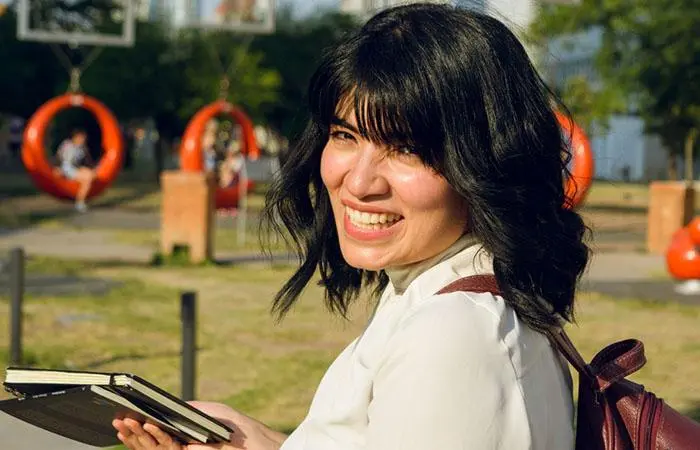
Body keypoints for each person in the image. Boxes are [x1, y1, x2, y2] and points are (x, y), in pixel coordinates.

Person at [113, 4, 589, 449]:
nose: (358, 183)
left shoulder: (454, 336)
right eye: (345, 135)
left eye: (406, 148)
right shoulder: (437, 296)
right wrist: (259, 441)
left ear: (485, 165)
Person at [57, 129, 95, 212]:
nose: (83, 140)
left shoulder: (81, 148)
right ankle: (79, 202)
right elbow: (60, 156)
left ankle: (80, 200)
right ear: (75, 137)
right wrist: (59, 168)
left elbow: (85, 161)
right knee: (88, 179)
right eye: (81, 138)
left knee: (91, 174)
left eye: (84, 138)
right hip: (67, 168)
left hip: (76, 167)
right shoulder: (67, 145)